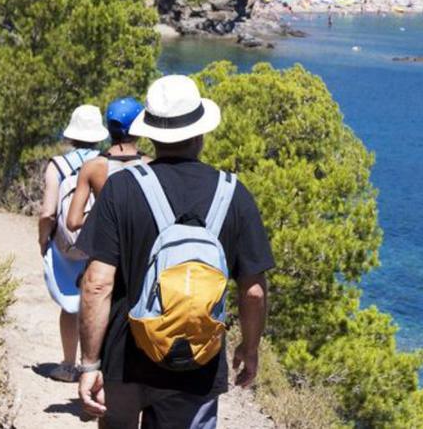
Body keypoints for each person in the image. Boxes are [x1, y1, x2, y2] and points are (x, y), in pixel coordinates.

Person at [76, 75, 274, 428]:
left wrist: (90, 363)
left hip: (125, 357)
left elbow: (96, 284)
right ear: (200, 133)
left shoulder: (121, 188)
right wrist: (250, 348)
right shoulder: (234, 195)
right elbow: (254, 290)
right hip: (197, 362)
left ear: (151, 133)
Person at [40, 104, 109, 383]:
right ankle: (94, 366)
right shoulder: (106, 164)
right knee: (99, 301)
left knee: (70, 305)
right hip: (100, 243)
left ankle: (69, 366)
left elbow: (47, 212)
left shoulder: (57, 165)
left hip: (66, 244)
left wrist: (43, 240)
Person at [65, 97, 149, 235]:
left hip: (107, 242)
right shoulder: (151, 164)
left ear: (109, 127)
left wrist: (107, 216)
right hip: (141, 243)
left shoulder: (91, 167)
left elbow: (73, 222)